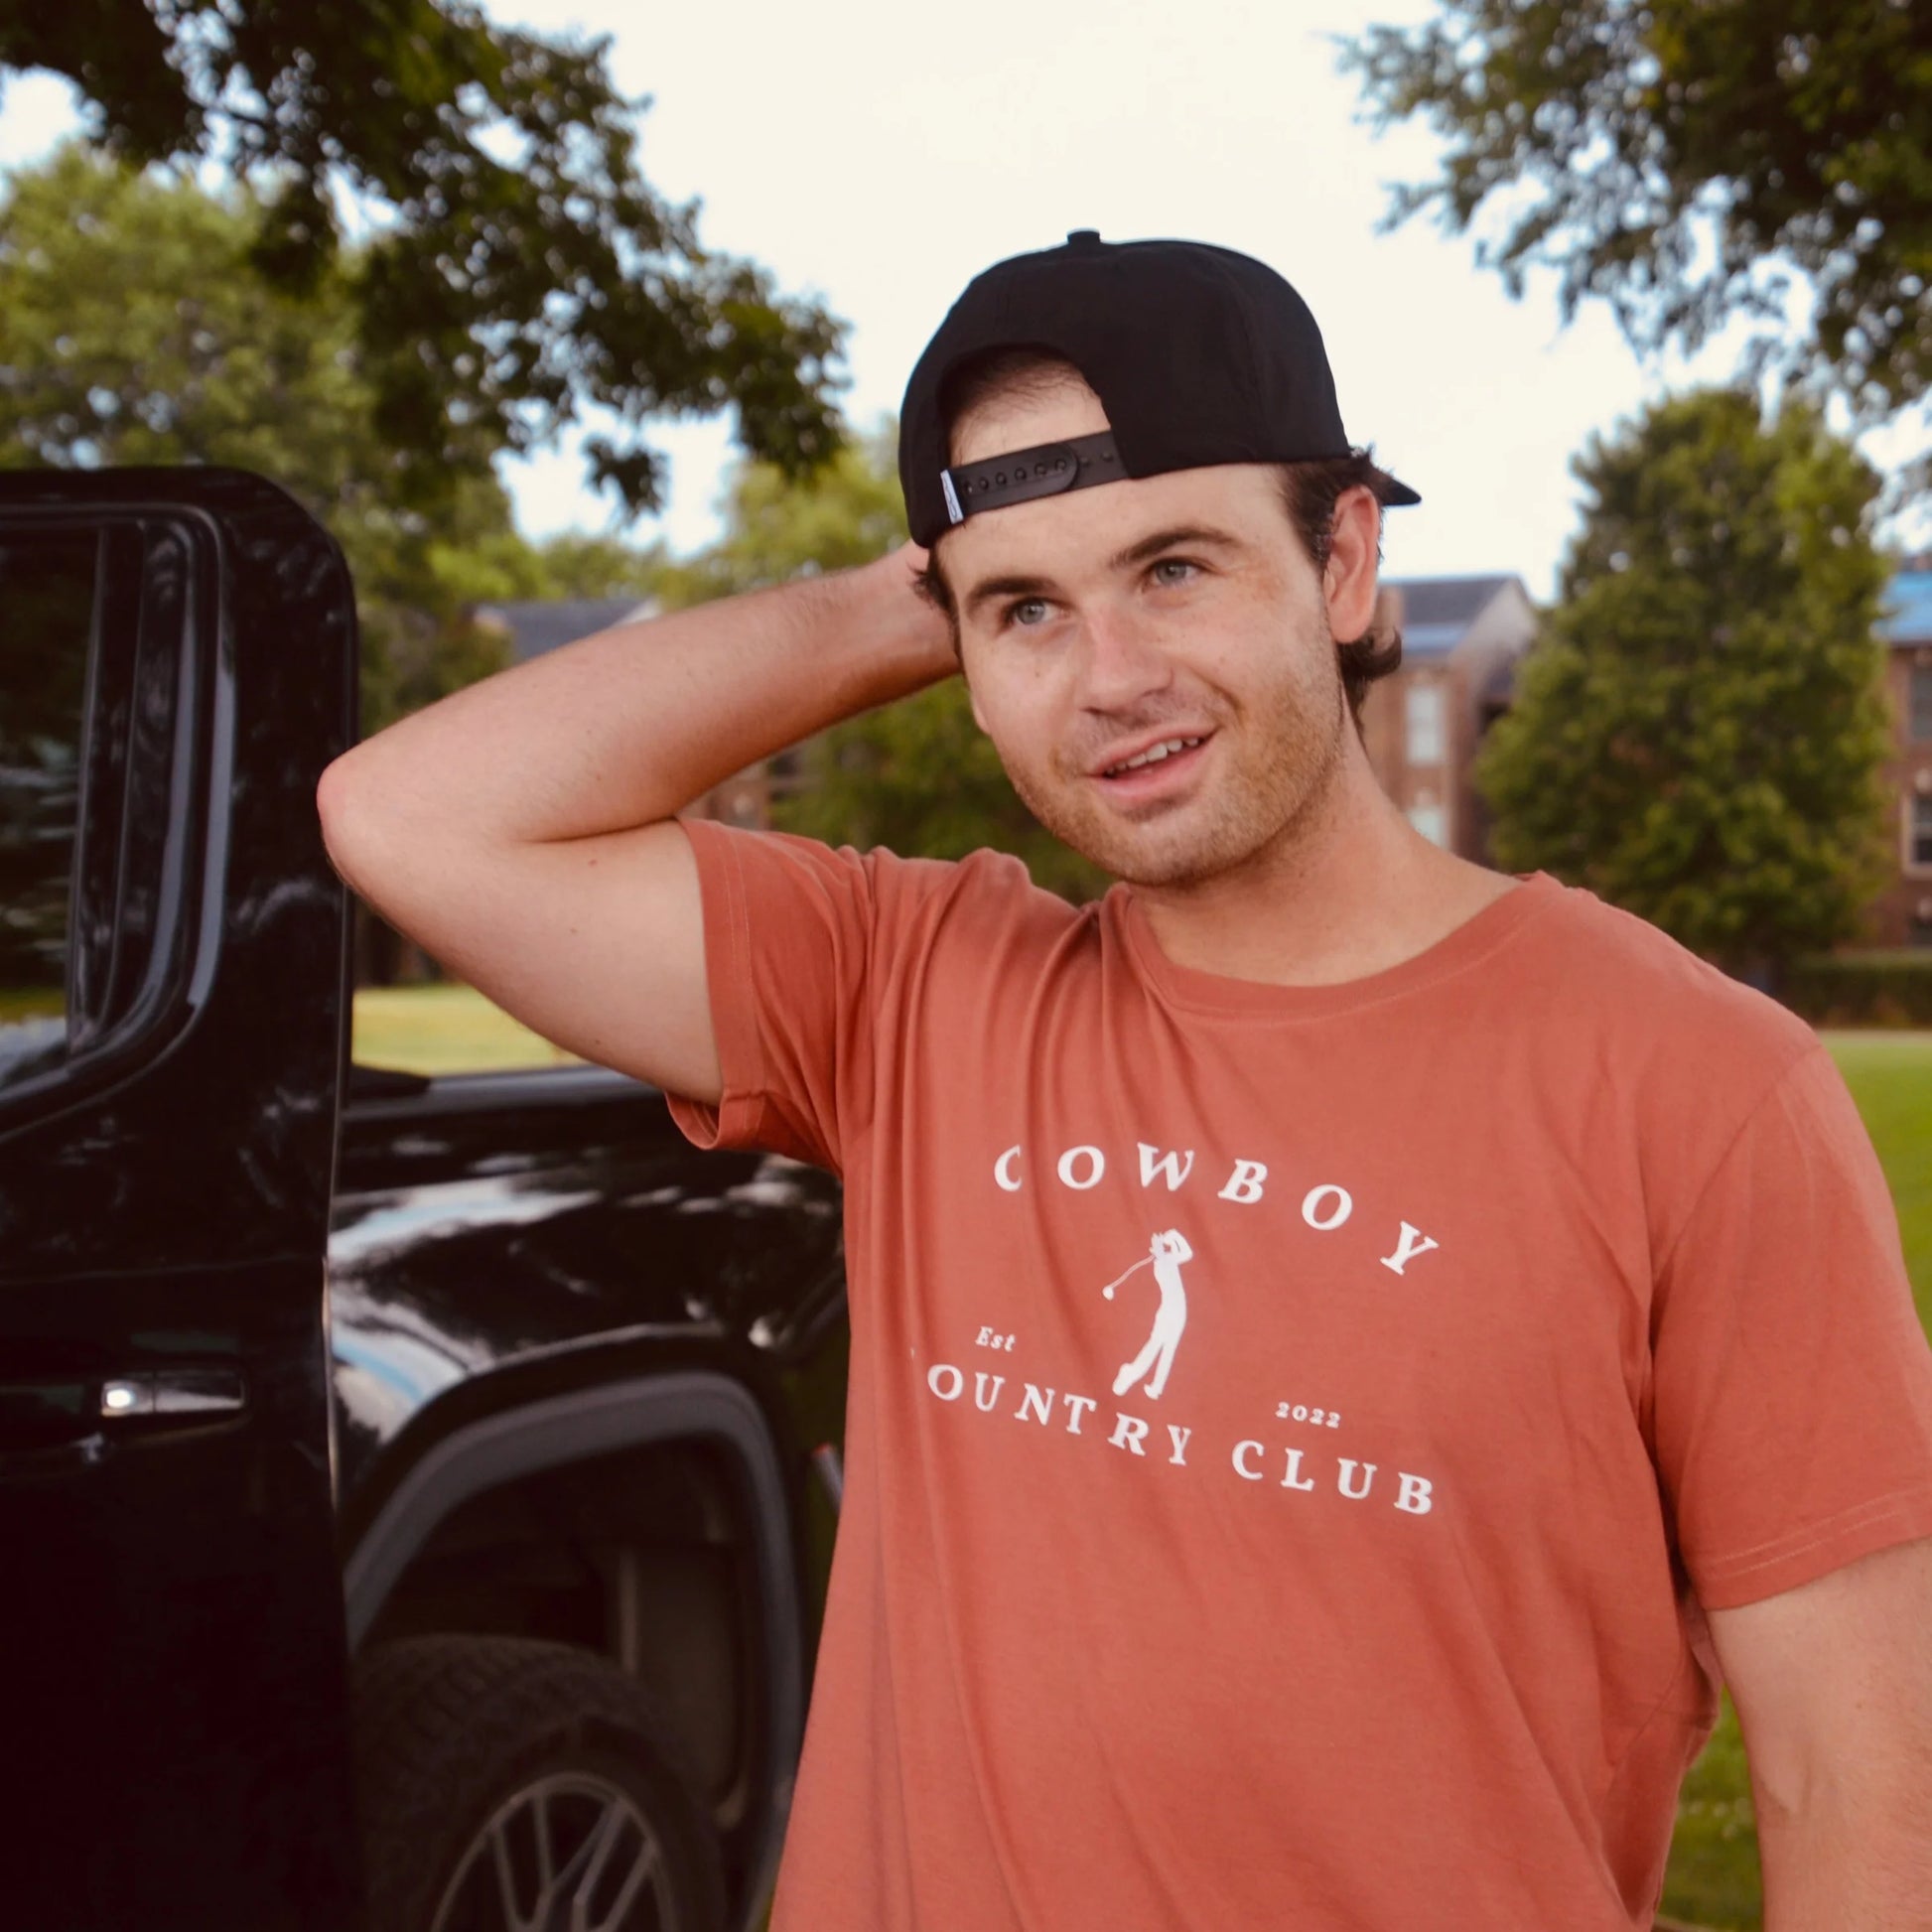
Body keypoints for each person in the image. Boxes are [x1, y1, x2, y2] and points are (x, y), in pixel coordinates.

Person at [317, 231, 1932, 1930]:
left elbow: (1861, 1782)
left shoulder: (1697, 1086)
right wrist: (921, 585)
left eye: (1172, 567)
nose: (1109, 681)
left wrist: (1011, 560)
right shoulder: (910, 992)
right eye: (1026, 611)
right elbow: (409, 817)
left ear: (1342, 561)